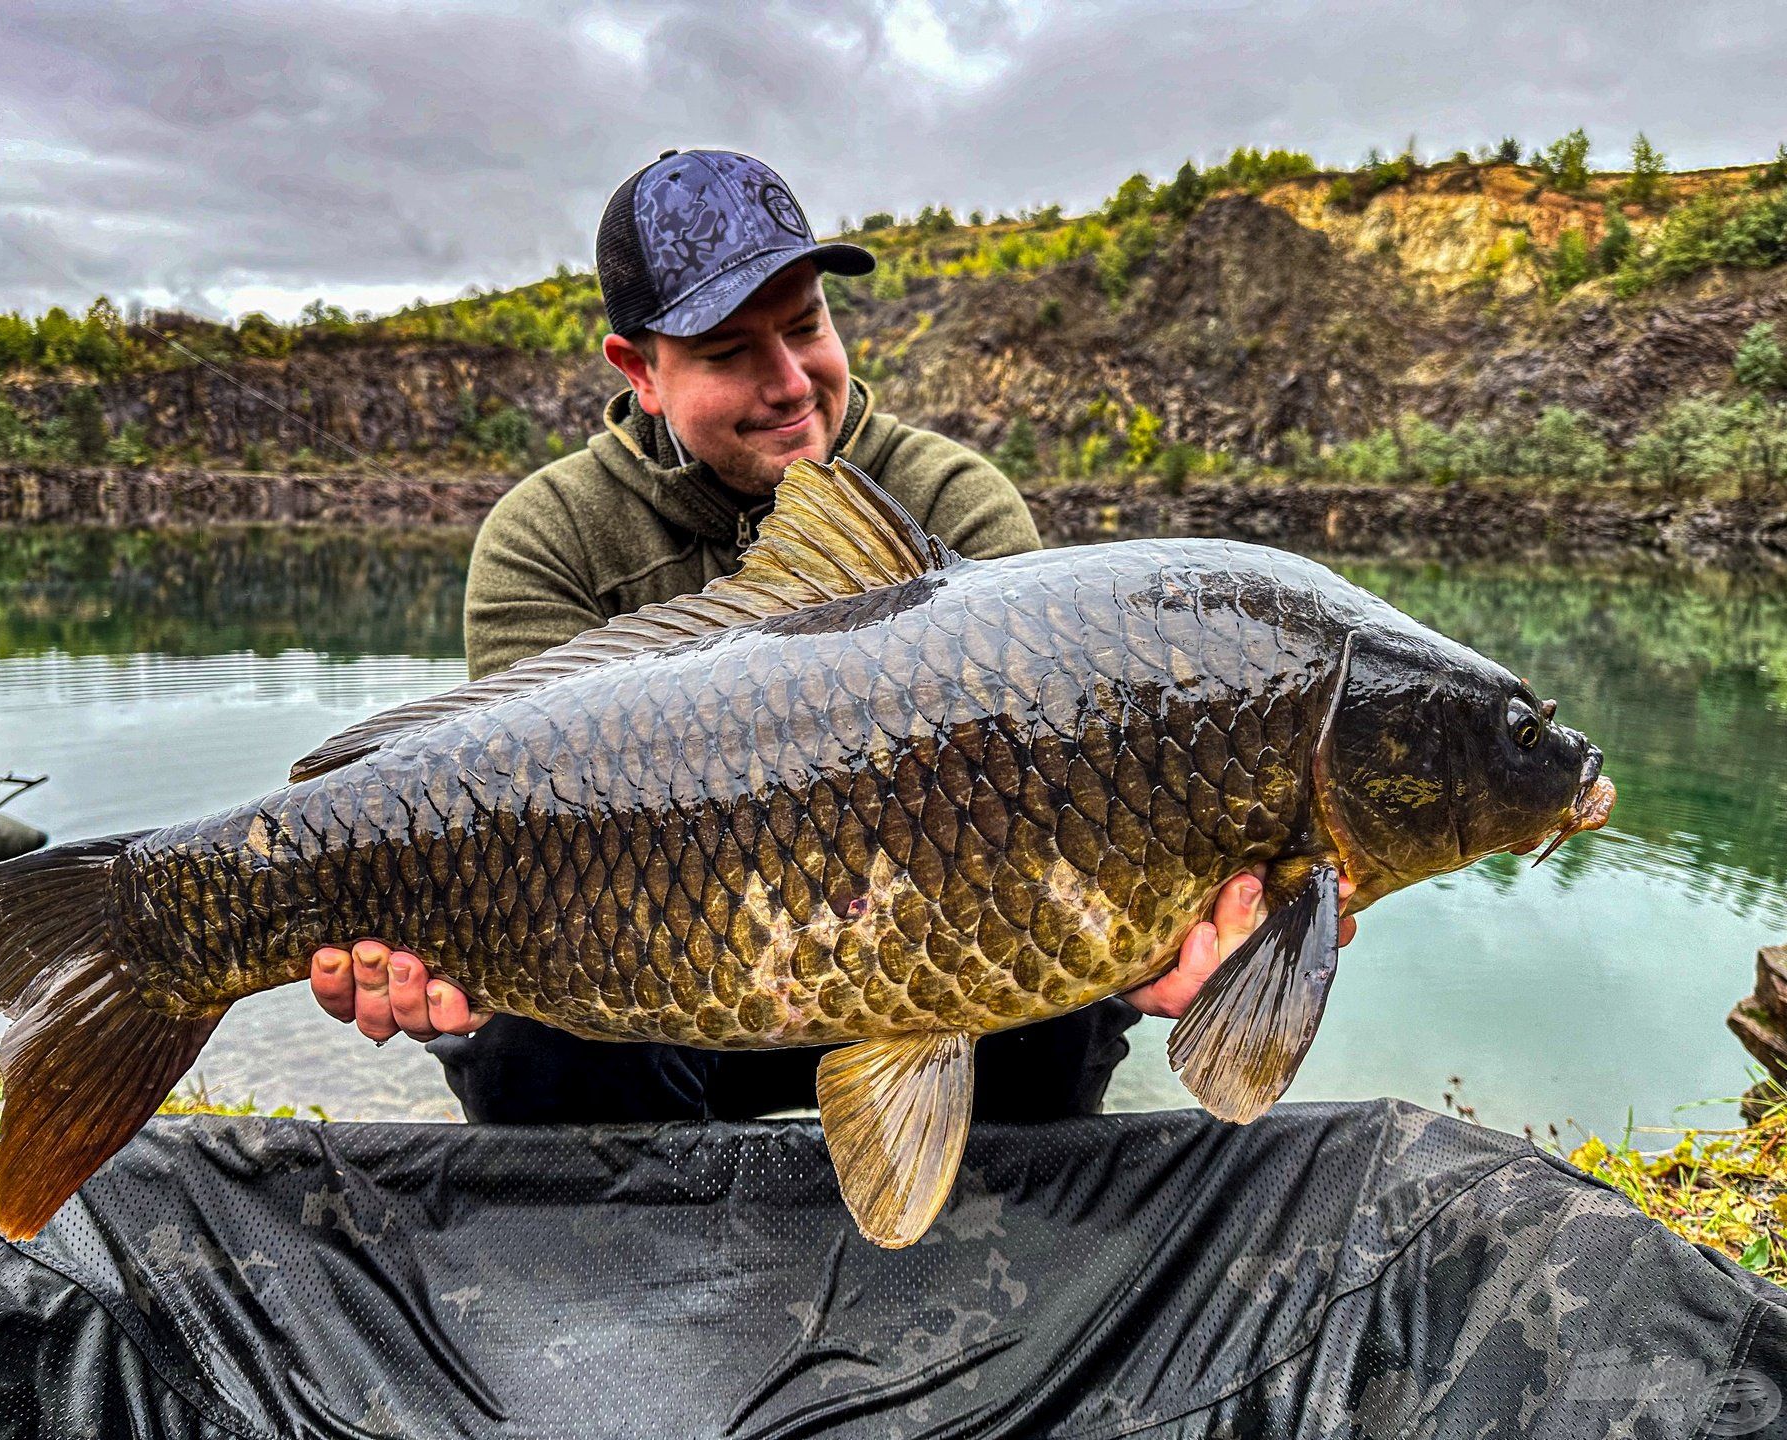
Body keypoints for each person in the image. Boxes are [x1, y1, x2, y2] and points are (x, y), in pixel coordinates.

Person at [309, 149, 1357, 1123]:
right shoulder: (548, 536)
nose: (791, 382)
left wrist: (1150, 931)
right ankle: (632, 1273)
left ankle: (971, 1262)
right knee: (516, 1038)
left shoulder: (954, 499)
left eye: (805, 326)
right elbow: (505, 824)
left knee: (1069, 998)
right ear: (639, 369)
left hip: (932, 960)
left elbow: (1057, 800)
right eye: (729, 352)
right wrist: (432, 948)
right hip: (651, 981)